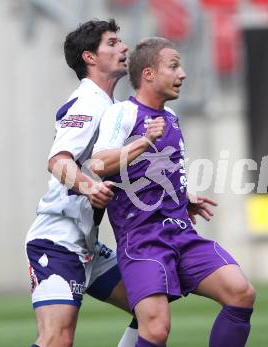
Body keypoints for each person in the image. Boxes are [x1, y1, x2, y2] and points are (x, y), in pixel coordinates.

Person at [92, 37, 256, 347]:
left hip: (181, 234)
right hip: (143, 241)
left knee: (241, 293)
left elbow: (158, 173)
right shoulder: (123, 114)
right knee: (155, 330)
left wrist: (182, 198)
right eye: (174, 66)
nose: (182, 74)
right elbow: (99, 164)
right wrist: (143, 141)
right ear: (149, 74)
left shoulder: (170, 118)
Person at [25, 19, 137, 347]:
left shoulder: (111, 108)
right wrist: (89, 187)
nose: (124, 47)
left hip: (88, 247)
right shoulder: (89, 104)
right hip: (57, 242)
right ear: (90, 57)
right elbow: (58, 161)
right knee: (56, 340)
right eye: (113, 43)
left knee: (151, 306)